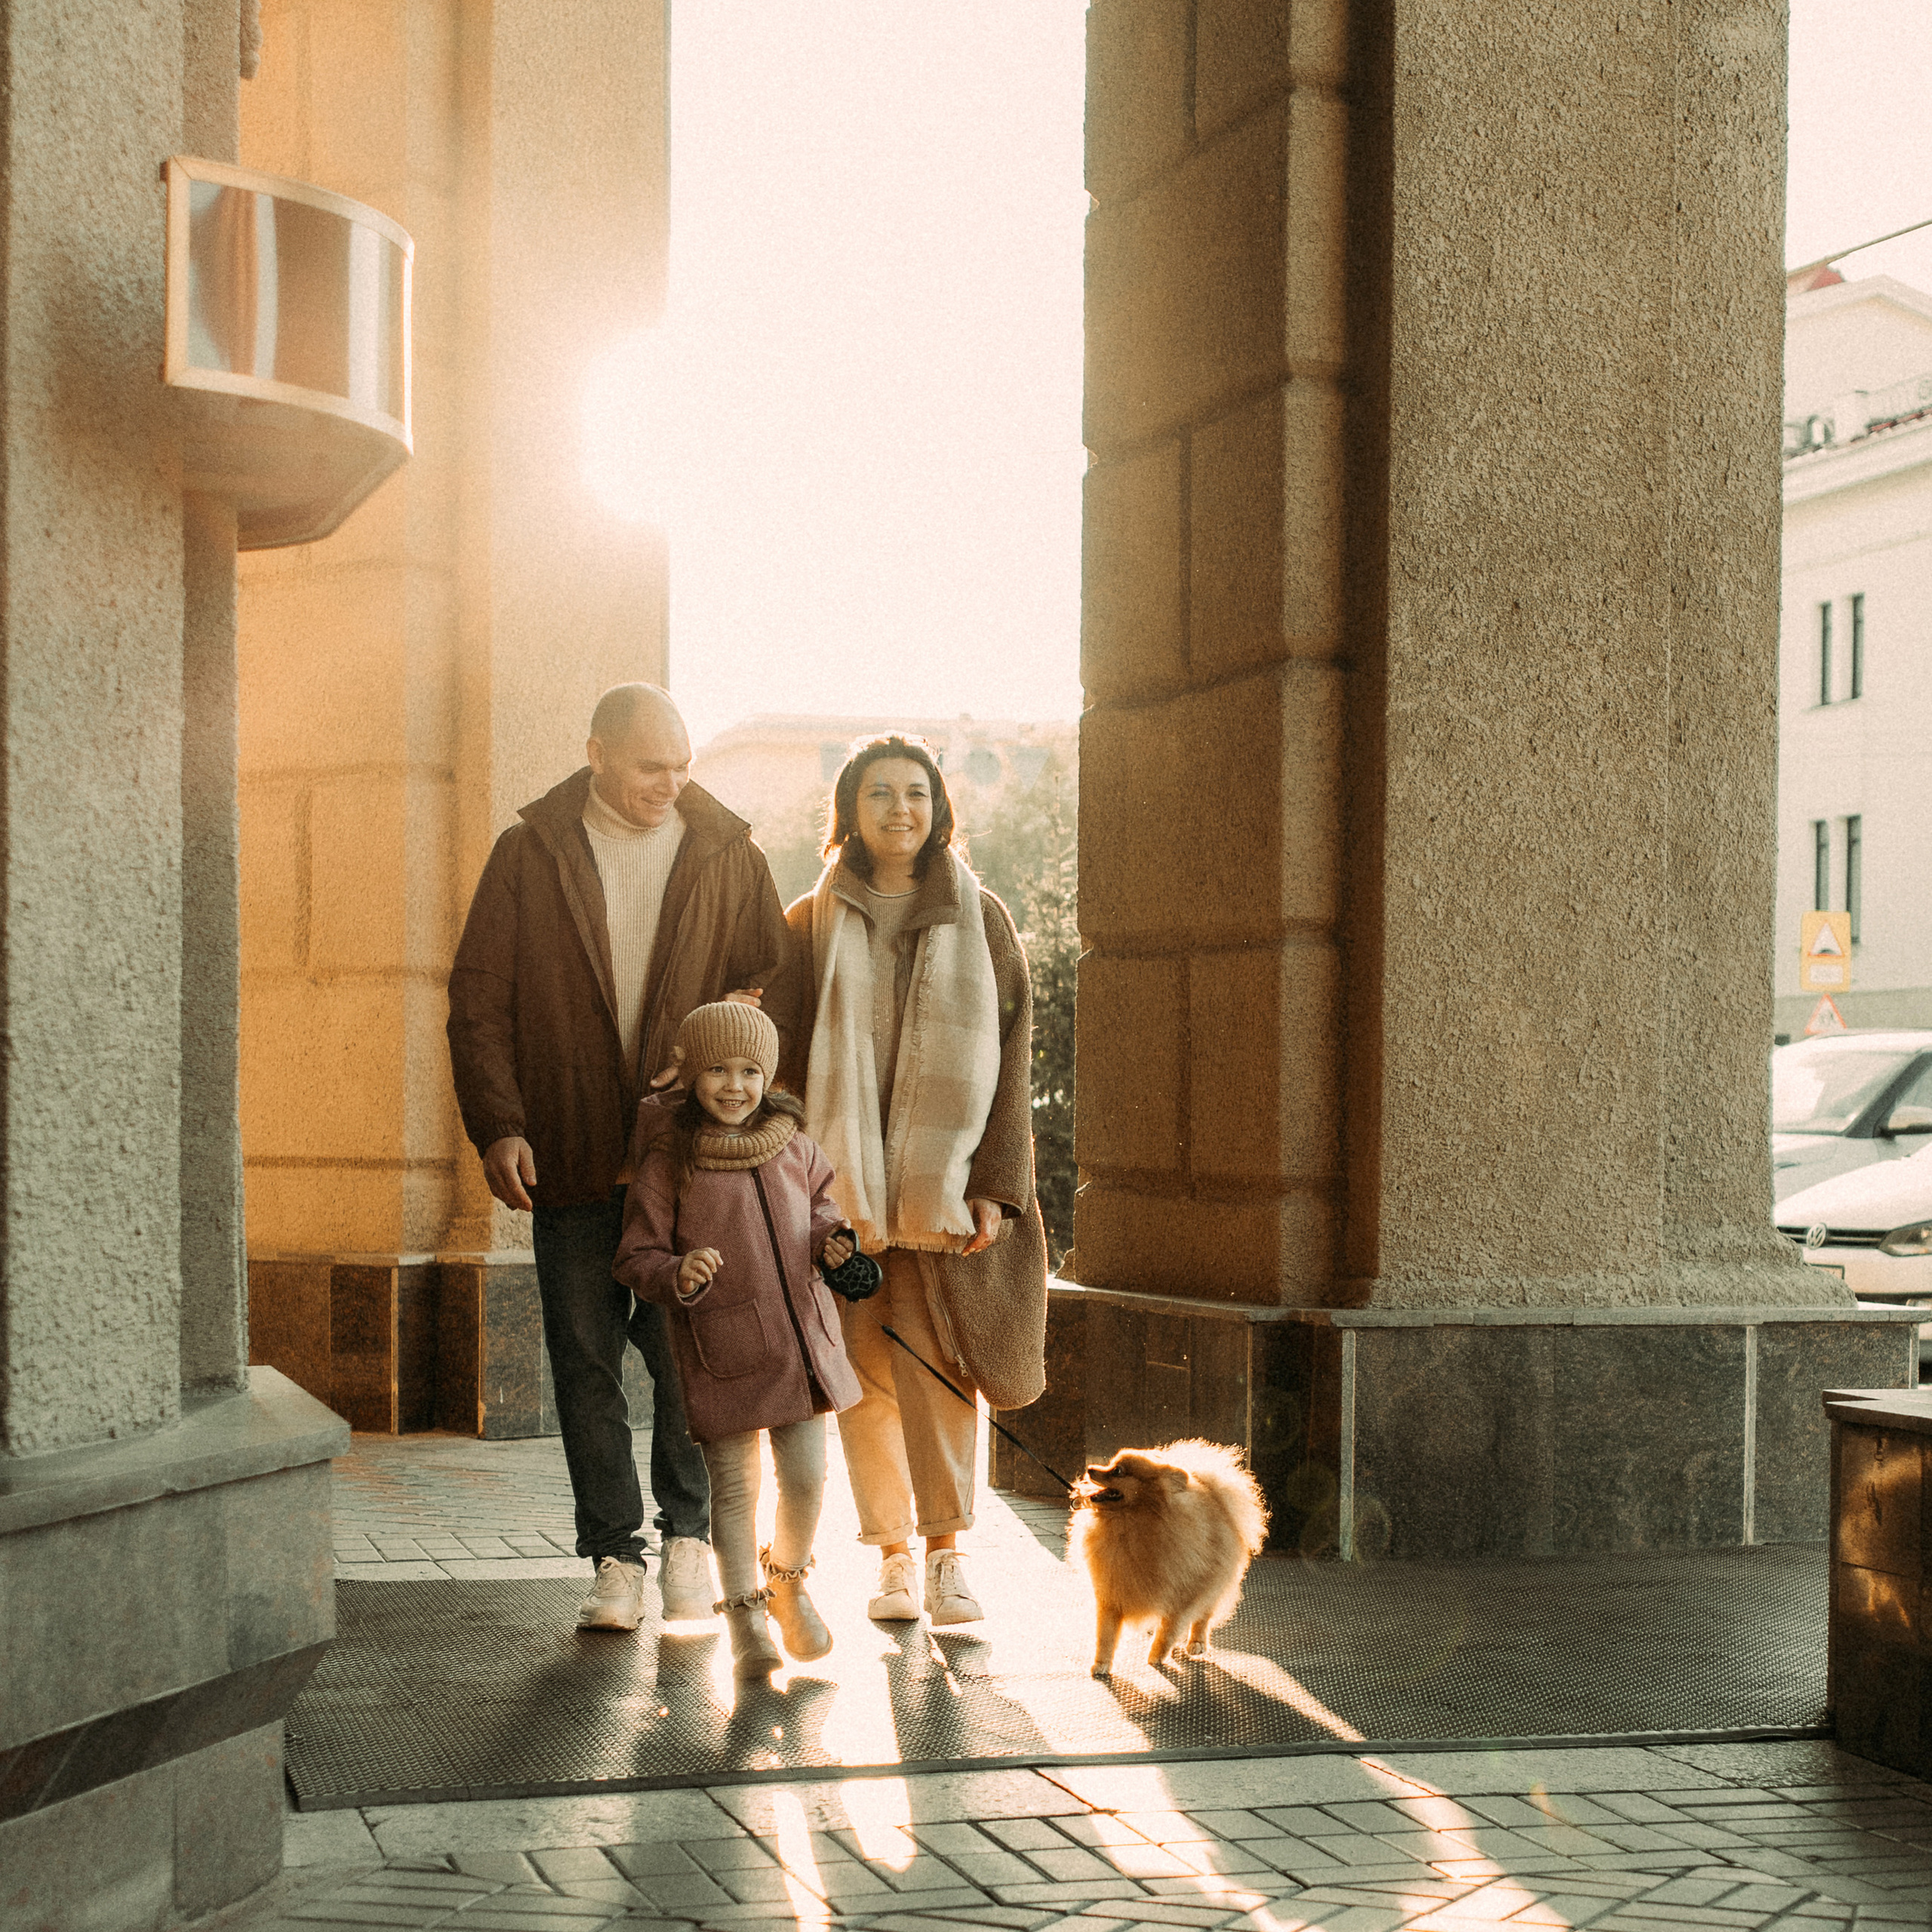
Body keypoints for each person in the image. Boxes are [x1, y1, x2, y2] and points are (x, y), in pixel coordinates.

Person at [447, 684, 792, 1634]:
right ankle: (613, 1557)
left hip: (688, 1162)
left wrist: (722, 1061)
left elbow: (763, 980)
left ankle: (689, 1540)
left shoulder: (728, 851)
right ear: (596, 751)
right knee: (584, 1363)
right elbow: (479, 1002)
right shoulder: (528, 852)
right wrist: (499, 1124)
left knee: (687, 1360)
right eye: (650, 766)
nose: (669, 783)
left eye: (681, 765)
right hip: (566, 1149)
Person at [780, 735, 1049, 1626]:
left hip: (943, 1199)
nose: (901, 809)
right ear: (849, 812)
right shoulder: (807, 923)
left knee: (938, 1373)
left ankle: (945, 1555)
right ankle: (891, 1556)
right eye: (880, 793)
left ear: (939, 809)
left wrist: (997, 1187)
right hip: (841, 1202)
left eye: (918, 793)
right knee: (860, 1375)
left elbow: (1013, 1067)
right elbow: (776, 1070)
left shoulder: (986, 919)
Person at [613, 1001, 863, 1678]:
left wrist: (834, 1244)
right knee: (734, 1490)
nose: (734, 1085)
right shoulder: (671, 1160)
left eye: (749, 1070)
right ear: (692, 1076)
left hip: (801, 1348)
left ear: (769, 1076)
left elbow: (823, 1213)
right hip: (722, 1352)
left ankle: (787, 1582)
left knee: (807, 1480)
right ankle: (746, 1615)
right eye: (718, 1069)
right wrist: (676, 1273)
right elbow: (636, 1255)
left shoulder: (797, 1146)